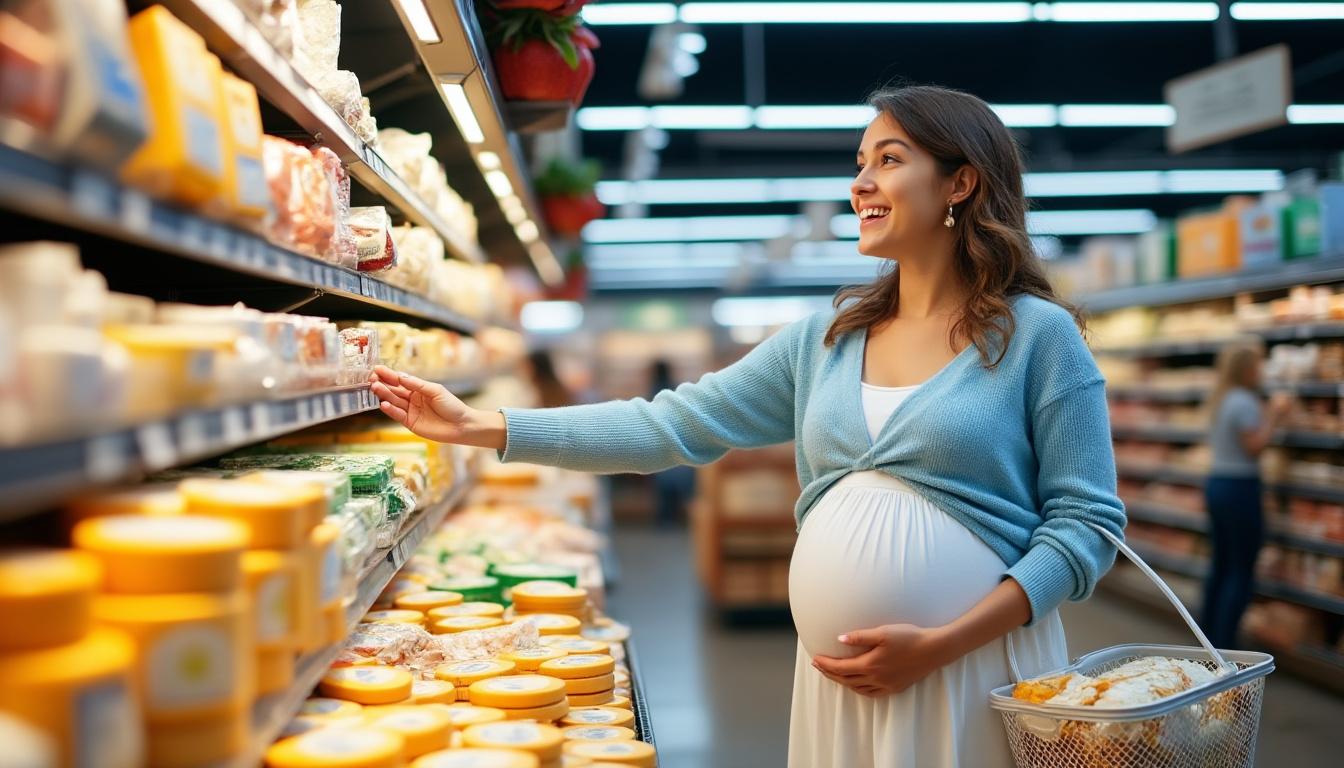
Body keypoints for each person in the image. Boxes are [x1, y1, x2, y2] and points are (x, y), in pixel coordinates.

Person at [370, 84, 1125, 768]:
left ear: (960, 182)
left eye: (889, 160)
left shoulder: (1037, 337)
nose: (860, 181)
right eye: (859, 161)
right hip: (839, 686)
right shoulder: (826, 341)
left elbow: (1086, 525)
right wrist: (487, 426)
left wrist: (941, 644)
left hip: (975, 668)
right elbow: (670, 424)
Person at [1203, 342, 1292, 650]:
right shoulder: (1244, 402)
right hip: (1239, 488)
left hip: (1217, 484)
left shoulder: (1223, 398)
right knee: (1241, 570)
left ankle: (1209, 640)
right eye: (1258, 365)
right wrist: (1276, 416)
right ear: (1247, 369)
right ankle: (1227, 646)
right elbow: (1254, 447)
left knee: (1221, 565)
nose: (1262, 370)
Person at [648, 359, 695, 527]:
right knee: (678, 486)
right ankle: (678, 519)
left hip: (660, 445)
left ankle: (665, 519)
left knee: (664, 488)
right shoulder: (675, 387)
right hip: (679, 444)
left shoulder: (653, 390)